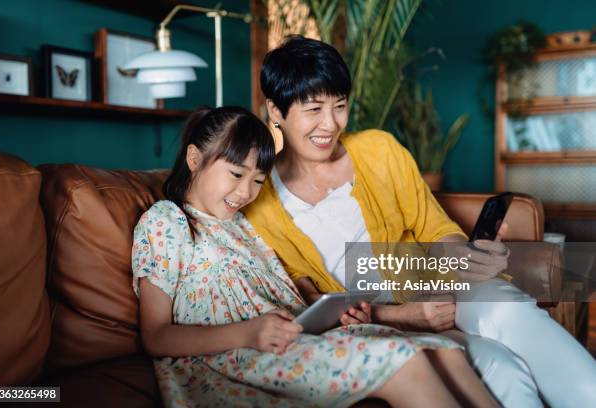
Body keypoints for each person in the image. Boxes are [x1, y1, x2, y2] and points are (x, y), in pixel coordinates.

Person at [243, 35, 596, 408]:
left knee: (503, 306)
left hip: (444, 286)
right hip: (377, 325)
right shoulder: (262, 202)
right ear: (275, 110)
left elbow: (434, 228)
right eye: (314, 109)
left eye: (340, 106)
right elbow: (309, 302)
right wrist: (405, 316)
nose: (330, 124)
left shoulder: (380, 149)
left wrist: (467, 255)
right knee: (500, 368)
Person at [131, 106, 499, 408]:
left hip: (290, 338)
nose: (245, 191)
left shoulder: (244, 227)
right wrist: (250, 333)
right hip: (233, 357)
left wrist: (331, 314)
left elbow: (285, 299)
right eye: (235, 174)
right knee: (401, 359)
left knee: (445, 351)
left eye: (257, 181)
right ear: (195, 158)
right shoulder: (167, 222)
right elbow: (157, 336)